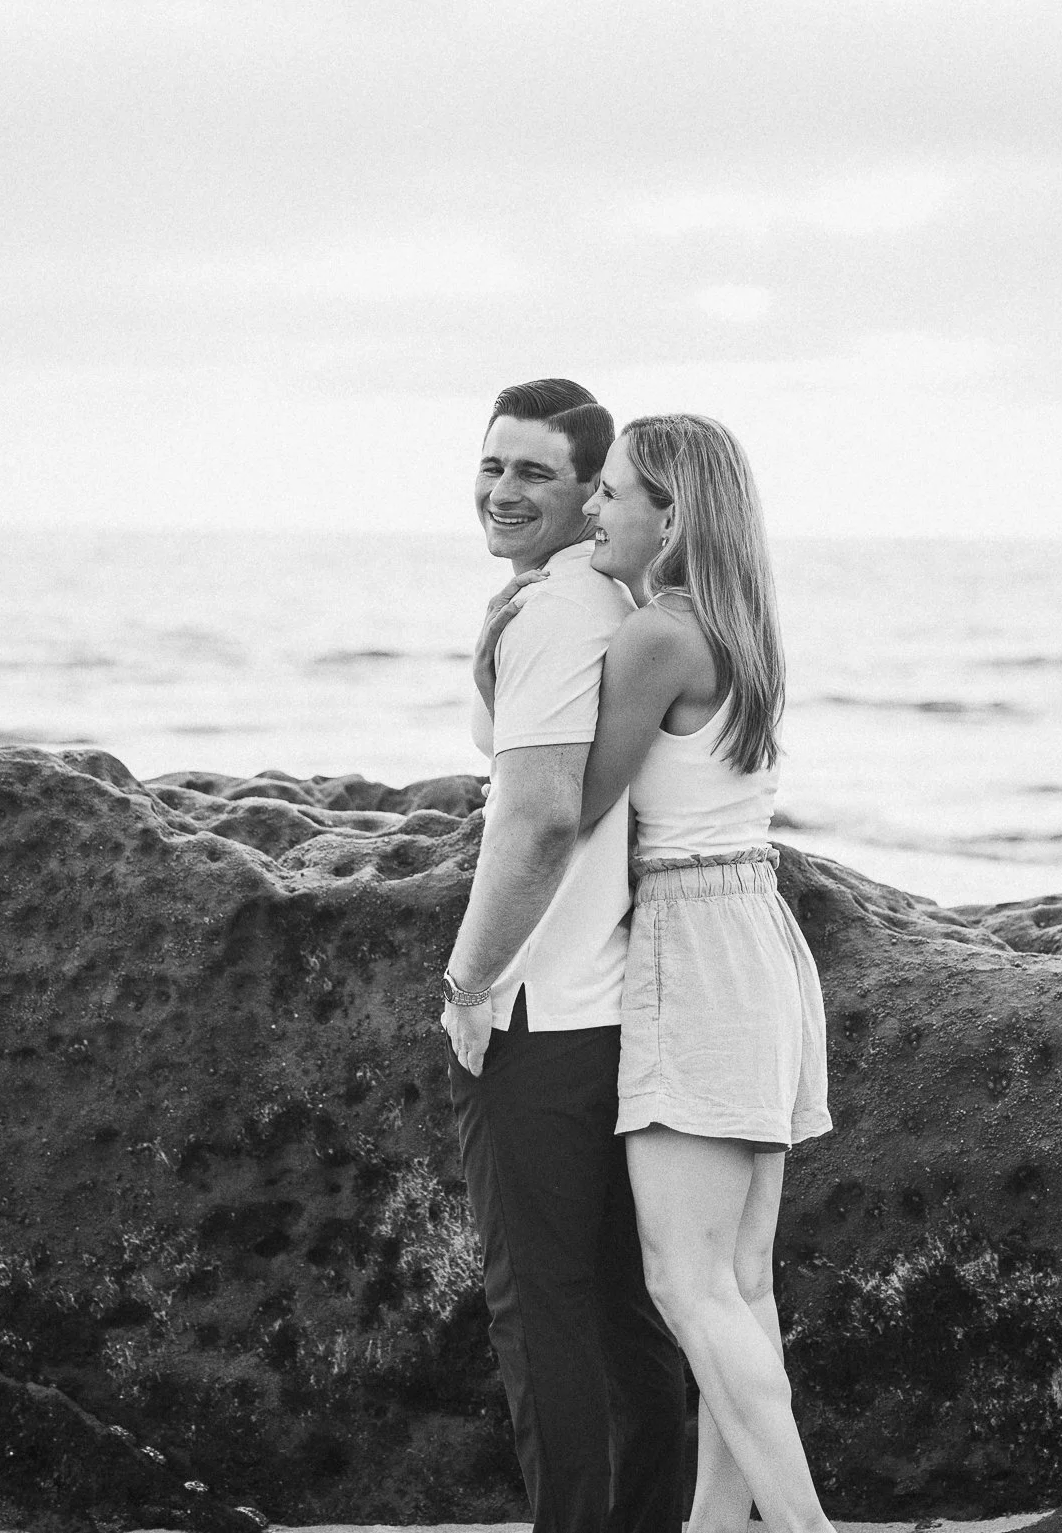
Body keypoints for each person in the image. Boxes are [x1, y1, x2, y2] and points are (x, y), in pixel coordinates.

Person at [476, 413, 834, 1533]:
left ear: (670, 515)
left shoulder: (651, 638)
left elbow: (572, 804)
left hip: (694, 946)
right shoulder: (738, 624)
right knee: (741, 1287)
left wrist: (514, 655)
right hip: (760, 931)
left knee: (685, 1284)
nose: (595, 512)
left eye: (614, 495)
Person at [437, 378, 687, 1533]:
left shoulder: (555, 618)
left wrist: (468, 979)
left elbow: (538, 818)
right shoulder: (606, 604)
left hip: (541, 1009)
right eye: (493, 464)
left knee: (539, 1313)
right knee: (622, 1313)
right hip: (614, 1001)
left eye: (534, 471)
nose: (502, 489)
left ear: (595, 495)